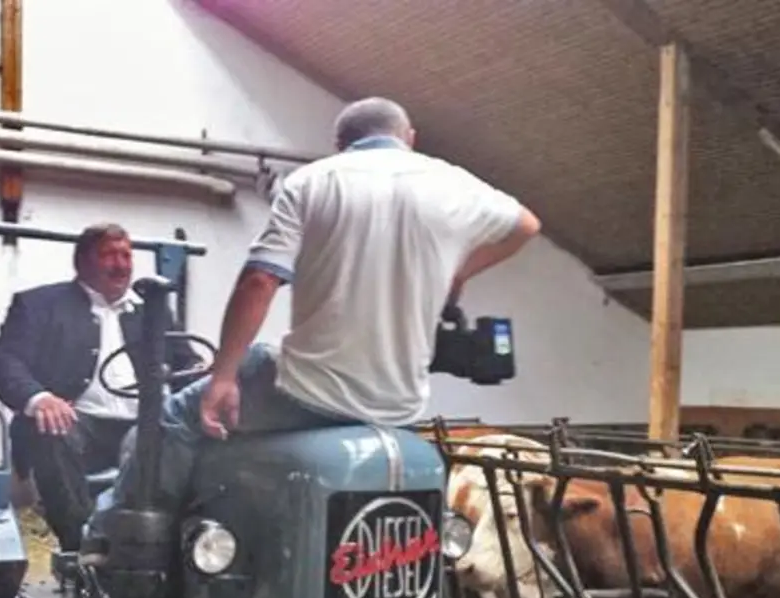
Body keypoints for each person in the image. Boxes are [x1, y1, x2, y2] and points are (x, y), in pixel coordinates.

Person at [91, 96, 541, 532]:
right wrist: (459, 272)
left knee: (177, 416)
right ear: (410, 138)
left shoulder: (313, 181)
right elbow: (526, 225)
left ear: (339, 143)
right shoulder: (454, 183)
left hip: (309, 395)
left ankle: (119, 538)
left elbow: (259, 281)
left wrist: (225, 376)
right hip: (397, 405)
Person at [0, 223, 201, 551]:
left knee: (194, 434)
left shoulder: (152, 310)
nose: (120, 264)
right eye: (108, 255)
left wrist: (215, 384)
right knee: (52, 429)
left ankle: (188, 546)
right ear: (82, 262)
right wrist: (39, 398)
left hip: (143, 426)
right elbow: (5, 362)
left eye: (126, 255)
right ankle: (83, 546)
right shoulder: (39, 305)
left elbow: (186, 364)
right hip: (79, 424)